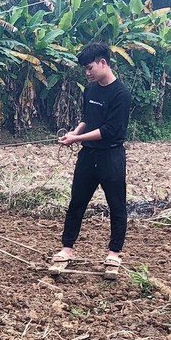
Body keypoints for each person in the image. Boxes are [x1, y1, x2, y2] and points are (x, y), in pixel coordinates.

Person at [50, 41, 132, 278]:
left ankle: (114, 253)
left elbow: (108, 130)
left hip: (111, 156)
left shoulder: (121, 94)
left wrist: (77, 139)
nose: (87, 73)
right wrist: (75, 133)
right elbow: (89, 118)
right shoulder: (92, 88)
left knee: (117, 206)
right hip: (88, 155)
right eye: (85, 69)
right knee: (77, 203)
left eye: (89, 68)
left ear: (103, 63)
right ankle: (66, 249)